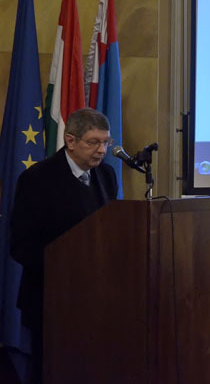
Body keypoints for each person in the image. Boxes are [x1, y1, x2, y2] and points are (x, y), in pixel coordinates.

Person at [9, 108, 117, 384]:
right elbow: (21, 244)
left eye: (106, 142)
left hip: (96, 299)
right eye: (93, 142)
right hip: (51, 298)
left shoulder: (106, 175)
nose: (101, 150)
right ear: (70, 140)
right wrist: (65, 268)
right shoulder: (37, 179)